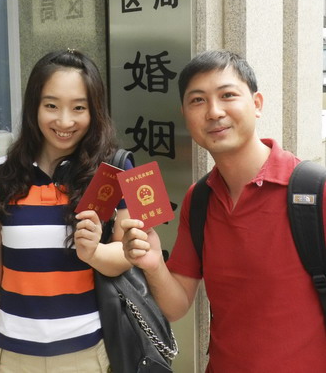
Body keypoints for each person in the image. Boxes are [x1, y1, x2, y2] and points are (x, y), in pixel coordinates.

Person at [121, 49, 326, 372]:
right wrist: (153, 264)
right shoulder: (199, 199)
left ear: (256, 104)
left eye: (227, 95)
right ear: (185, 114)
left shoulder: (314, 192)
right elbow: (175, 307)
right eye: (198, 100)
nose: (214, 112)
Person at [0, 49, 132, 373]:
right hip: (12, 357)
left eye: (79, 108)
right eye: (51, 106)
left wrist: (95, 253)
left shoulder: (113, 171)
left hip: (87, 356)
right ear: (34, 107)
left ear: (95, 110)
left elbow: (129, 255)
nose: (64, 121)